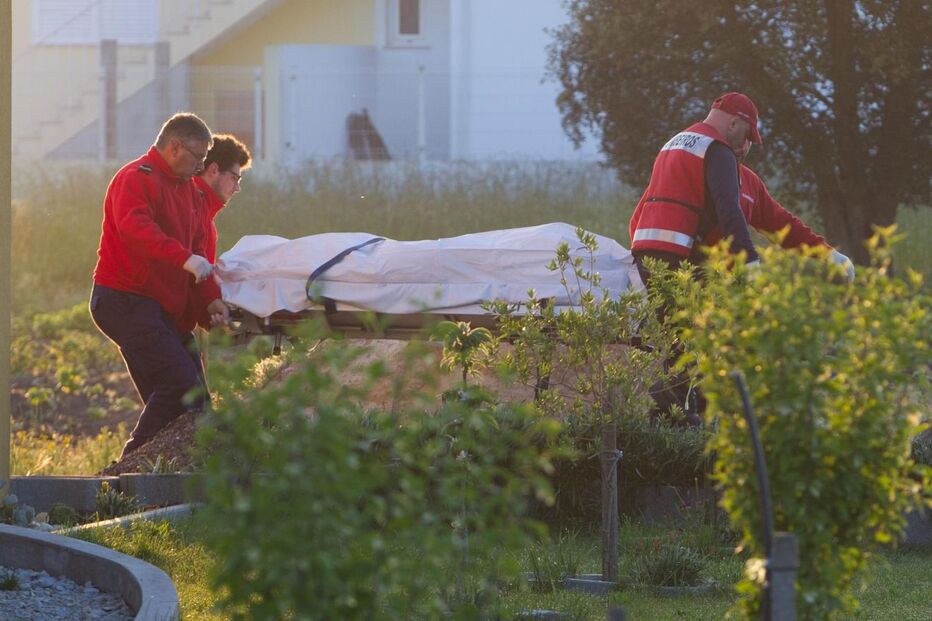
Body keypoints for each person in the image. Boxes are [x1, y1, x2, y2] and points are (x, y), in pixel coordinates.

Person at [629, 92, 854, 420]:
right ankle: (674, 431)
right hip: (681, 263)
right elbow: (728, 210)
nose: (747, 144)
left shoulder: (682, 149)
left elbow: (780, 222)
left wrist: (827, 254)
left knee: (692, 349)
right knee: (699, 349)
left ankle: (684, 429)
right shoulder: (714, 150)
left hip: (657, 261)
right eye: (747, 135)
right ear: (732, 123)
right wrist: (750, 263)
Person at [90, 113, 230, 458]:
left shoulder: (190, 194)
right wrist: (183, 258)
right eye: (197, 157)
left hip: (161, 309)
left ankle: (166, 475)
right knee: (179, 386)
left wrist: (210, 300)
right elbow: (136, 230)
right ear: (174, 147)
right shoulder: (136, 179)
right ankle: (127, 467)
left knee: (195, 404)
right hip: (124, 300)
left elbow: (198, 254)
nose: (201, 166)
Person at [178, 133, 252, 334]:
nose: (237, 188)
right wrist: (212, 302)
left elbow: (197, 281)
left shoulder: (204, 214)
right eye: (235, 178)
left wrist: (210, 313)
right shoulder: (189, 206)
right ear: (213, 170)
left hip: (174, 322)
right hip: (155, 316)